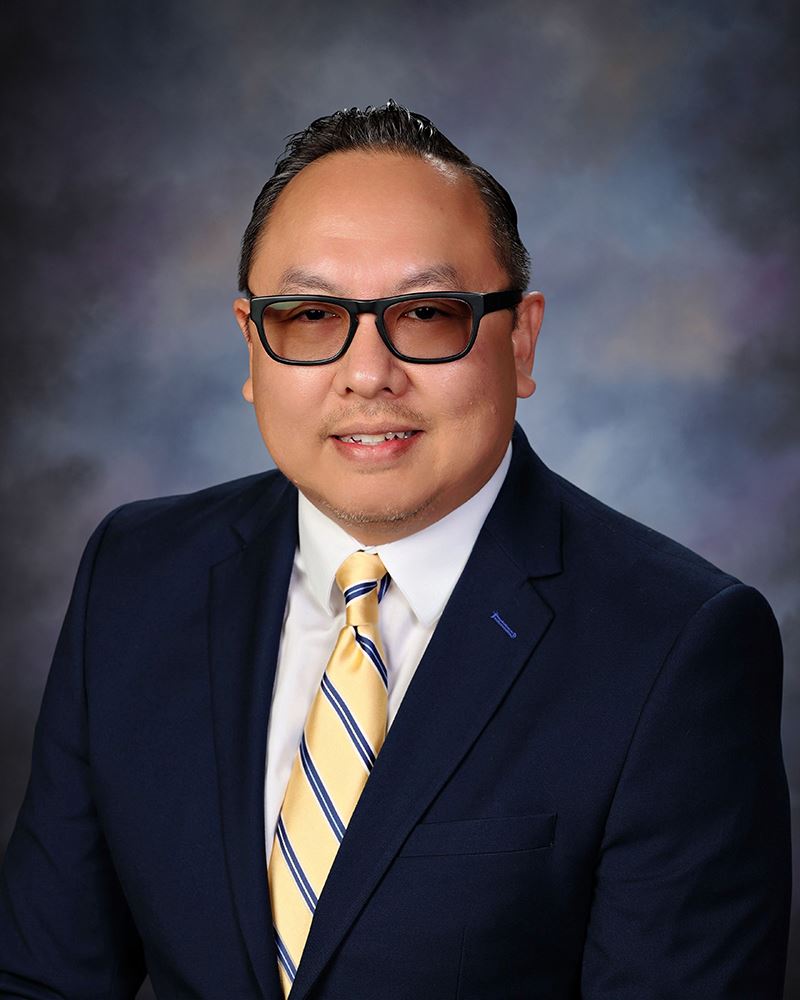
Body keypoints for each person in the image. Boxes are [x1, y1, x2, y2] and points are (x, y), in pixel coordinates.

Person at [0, 101, 790, 999]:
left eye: (425, 313)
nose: (369, 373)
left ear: (520, 340)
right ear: (252, 349)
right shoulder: (137, 576)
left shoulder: (678, 646)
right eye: (307, 315)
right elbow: (40, 980)